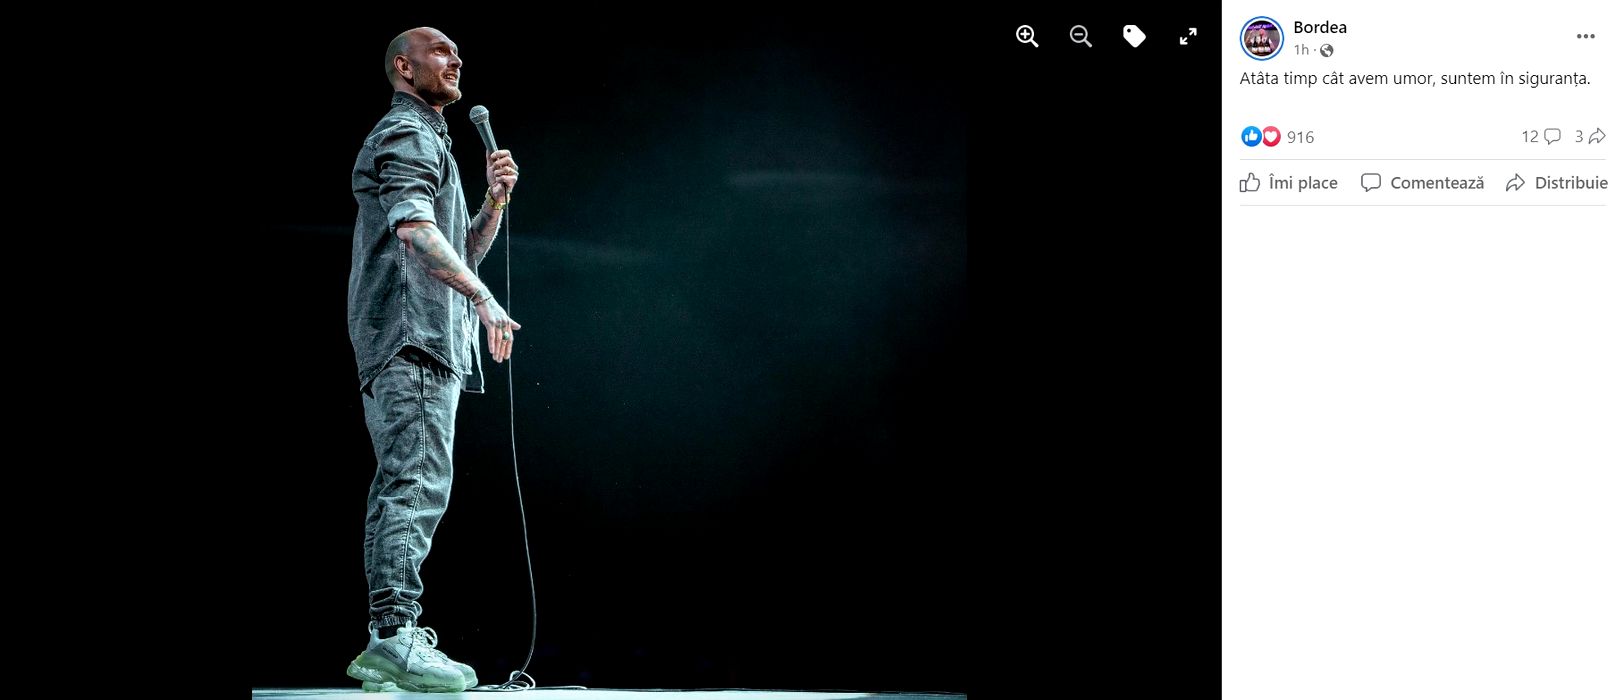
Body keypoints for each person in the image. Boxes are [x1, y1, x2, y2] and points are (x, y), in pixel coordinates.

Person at [343, 26, 522, 693]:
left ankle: (390, 639)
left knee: (416, 479)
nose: (456, 60)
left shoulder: (431, 140)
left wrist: (494, 200)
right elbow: (415, 231)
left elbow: (458, 249)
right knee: (413, 481)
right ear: (404, 66)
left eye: (457, 53)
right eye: (441, 52)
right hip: (411, 333)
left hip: (425, 334)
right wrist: (484, 299)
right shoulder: (407, 132)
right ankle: (393, 635)